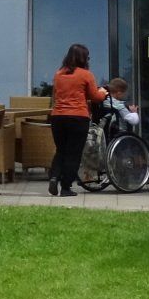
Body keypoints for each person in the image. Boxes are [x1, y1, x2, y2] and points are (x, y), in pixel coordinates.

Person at [47, 43, 107, 197]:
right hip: (77, 117)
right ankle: (66, 187)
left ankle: (53, 177)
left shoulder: (58, 74)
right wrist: (103, 92)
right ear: (83, 58)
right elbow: (95, 97)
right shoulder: (86, 75)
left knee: (61, 150)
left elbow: (55, 95)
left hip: (58, 117)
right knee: (73, 153)